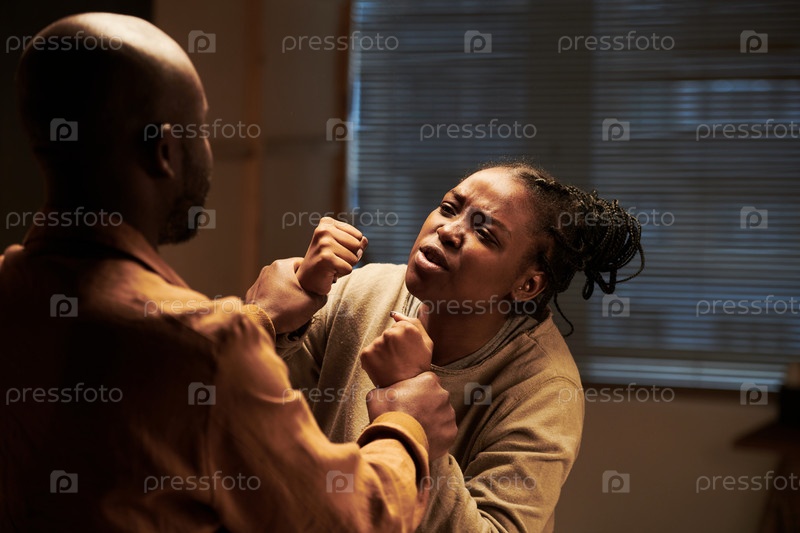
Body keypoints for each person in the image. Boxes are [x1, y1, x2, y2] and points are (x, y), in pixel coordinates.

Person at [0, 13, 457, 532]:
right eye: (201, 128)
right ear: (165, 152)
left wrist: (258, 318)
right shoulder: (211, 349)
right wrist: (406, 425)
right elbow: (353, 519)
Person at [279, 162, 645, 532]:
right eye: (449, 208)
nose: (449, 231)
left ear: (527, 285)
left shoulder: (545, 390)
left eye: (485, 234)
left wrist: (415, 421)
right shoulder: (361, 292)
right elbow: (260, 420)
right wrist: (283, 314)